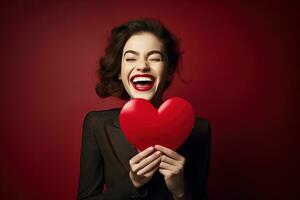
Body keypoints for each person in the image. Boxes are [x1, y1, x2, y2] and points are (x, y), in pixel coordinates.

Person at [77, 18, 211, 200]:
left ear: (169, 69)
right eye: (131, 58)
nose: (142, 66)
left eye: (155, 58)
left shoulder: (199, 130)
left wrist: (180, 191)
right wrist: (133, 183)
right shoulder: (97, 125)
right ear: (119, 70)